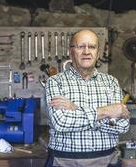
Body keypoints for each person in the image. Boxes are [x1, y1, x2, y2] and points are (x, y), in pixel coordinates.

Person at [45, 29, 130, 167]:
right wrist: (107, 112)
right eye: (80, 46)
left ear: (98, 52)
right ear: (70, 51)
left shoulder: (111, 82)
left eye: (91, 47)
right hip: (65, 162)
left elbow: (122, 126)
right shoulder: (55, 82)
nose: (86, 51)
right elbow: (61, 122)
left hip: (107, 161)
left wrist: (76, 109)